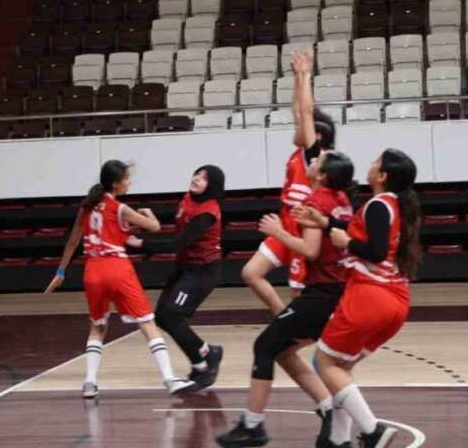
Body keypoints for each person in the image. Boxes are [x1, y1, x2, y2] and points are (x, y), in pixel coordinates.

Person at [217, 151, 356, 448]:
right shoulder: (342, 201)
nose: (313, 161)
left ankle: (253, 426)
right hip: (337, 293)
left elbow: (310, 251)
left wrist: (278, 232)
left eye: (319, 160)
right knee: (282, 351)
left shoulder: (317, 202)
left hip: (322, 295)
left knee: (264, 346)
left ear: (321, 175)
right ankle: (328, 407)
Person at [293, 149, 421, 448]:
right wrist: (325, 224)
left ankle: (373, 430)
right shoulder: (396, 206)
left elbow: (373, 250)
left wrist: (346, 242)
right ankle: (339, 439)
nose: (371, 163)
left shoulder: (378, 204)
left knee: (324, 362)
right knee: (341, 368)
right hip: (396, 300)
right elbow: (368, 239)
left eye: (376, 161)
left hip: (369, 295)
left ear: (383, 175)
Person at [45, 160, 197, 398]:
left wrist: (60, 272)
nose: (129, 182)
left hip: (93, 271)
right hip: (116, 268)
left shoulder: (86, 207)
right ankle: (169, 379)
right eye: (127, 178)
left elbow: (72, 242)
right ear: (116, 184)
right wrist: (148, 213)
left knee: (97, 327)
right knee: (147, 323)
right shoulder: (120, 208)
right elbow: (155, 227)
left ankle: (89, 383)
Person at [241, 49, 337, 314]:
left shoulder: (316, 155)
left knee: (300, 293)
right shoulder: (301, 153)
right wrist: (296, 77)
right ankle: (281, 317)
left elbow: (305, 113)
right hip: (285, 224)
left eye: (304, 129)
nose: (296, 129)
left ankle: (301, 330)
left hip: (303, 230)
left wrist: (306, 76)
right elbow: (299, 111)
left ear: (316, 135)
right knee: (251, 273)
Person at [144, 165, 228, 391]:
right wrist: (152, 220)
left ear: (213, 186)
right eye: (197, 174)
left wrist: (140, 243)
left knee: (172, 316)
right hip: (184, 267)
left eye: (204, 178)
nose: (197, 179)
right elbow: (177, 228)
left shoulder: (208, 212)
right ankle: (207, 354)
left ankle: (204, 364)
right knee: (162, 316)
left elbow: (176, 244)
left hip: (203, 271)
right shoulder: (188, 199)